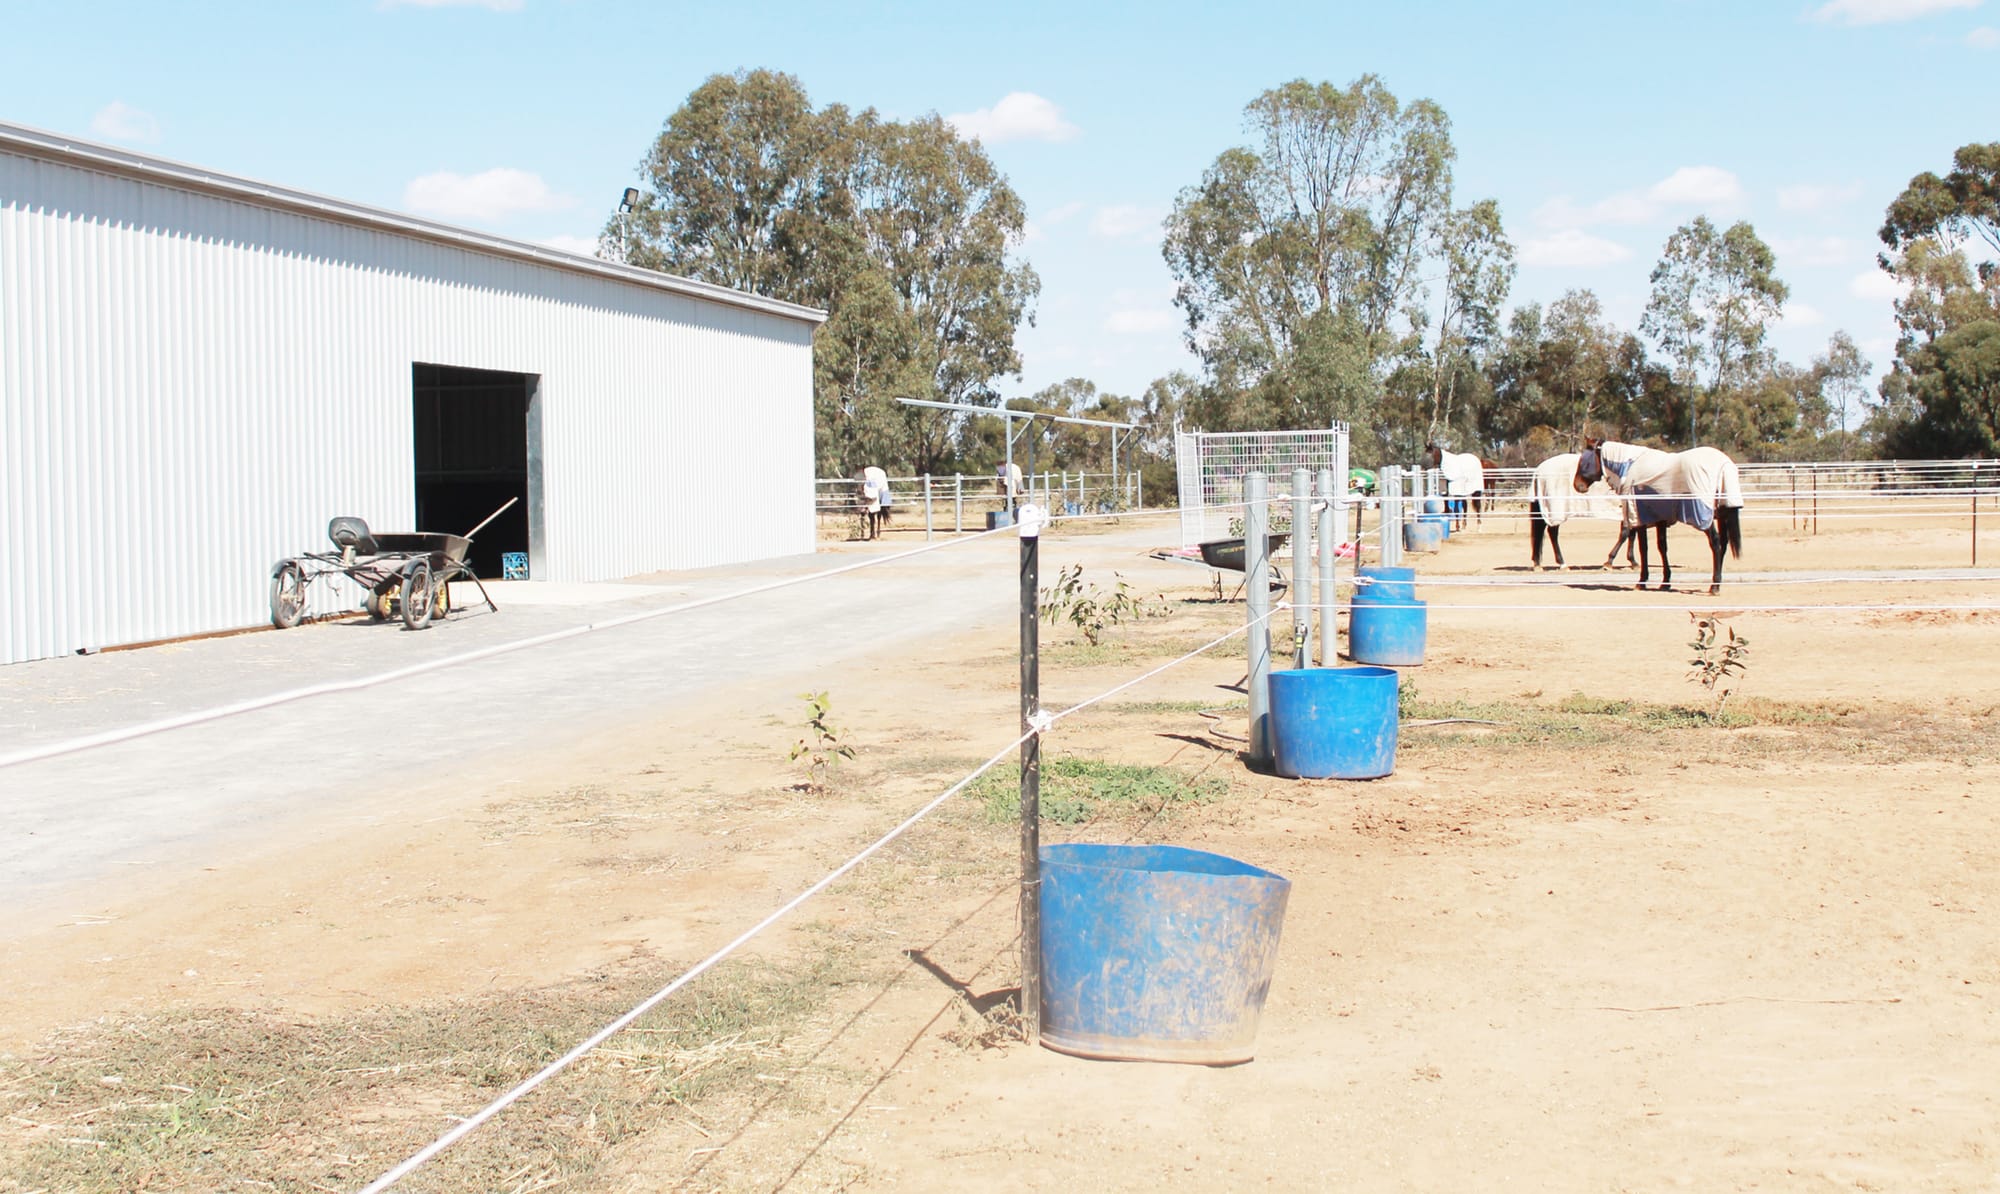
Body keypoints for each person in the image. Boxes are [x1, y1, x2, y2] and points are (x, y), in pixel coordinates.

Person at [859, 465, 890, 540]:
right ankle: (871, 532)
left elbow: (872, 492)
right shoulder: (864, 476)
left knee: (877, 510)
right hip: (873, 489)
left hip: (877, 488)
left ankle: (875, 532)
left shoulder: (872, 477)